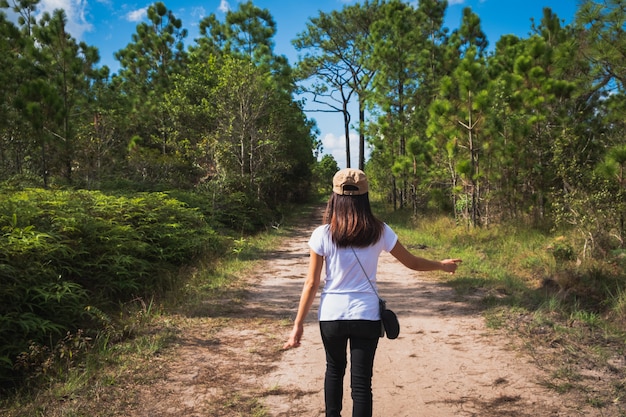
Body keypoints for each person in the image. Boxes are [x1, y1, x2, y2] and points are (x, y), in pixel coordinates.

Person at [283, 168, 462, 417]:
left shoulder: (322, 234)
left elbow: (311, 284)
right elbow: (411, 262)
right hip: (366, 316)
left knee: (334, 372)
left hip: (332, 317)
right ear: (365, 196)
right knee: (361, 385)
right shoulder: (380, 230)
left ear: (335, 197)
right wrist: (441, 266)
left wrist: (298, 324)